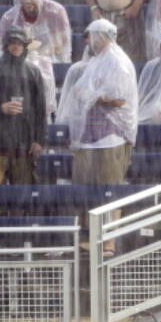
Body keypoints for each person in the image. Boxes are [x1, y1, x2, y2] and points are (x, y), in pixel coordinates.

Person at [60, 19, 138, 256]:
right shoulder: (97, 61)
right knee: (87, 190)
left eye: (92, 36)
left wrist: (98, 97)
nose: (90, 42)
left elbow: (119, 100)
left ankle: (109, 243)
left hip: (110, 137)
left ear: (101, 36)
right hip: (88, 136)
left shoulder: (118, 61)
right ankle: (90, 238)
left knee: (109, 190)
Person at [0, 27, 46, 191]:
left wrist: (39, 140)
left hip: (24, 145)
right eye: (12, 42)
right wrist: (0, 108)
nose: (16, 46)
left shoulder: (33, 72)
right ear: (5, 45)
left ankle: (18, 217)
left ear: (25, 46)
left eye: (20, 43)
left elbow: (40, 110)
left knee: (21, 196)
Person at [0, 0, 70, 120]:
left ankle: (44, 115)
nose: (28, 3)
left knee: (42, 73)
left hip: (50, 56)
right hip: (18, 59)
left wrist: (43, 52)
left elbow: (64, 44)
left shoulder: (56, 11)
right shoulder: (9, 17)